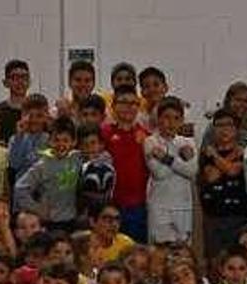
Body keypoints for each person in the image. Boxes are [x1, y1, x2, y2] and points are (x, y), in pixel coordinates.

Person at [145, 96, 197, 243]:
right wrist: (180, 157)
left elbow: (192, 171)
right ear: (158, 119)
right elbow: (160, 173)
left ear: (181, 121)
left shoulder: (188, 142)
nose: (171, 123)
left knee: (183, 254)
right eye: (166, 117)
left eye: (176, 118)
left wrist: (165, 157)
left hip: (183, 208)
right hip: (159, 208)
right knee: (159, 256)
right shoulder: (150, 141)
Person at [15, 116, 80, 231]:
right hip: (50, 222)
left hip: (72, 220)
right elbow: (20, 188)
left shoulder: (77, 159)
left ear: (73, 142)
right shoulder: (42, 165)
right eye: (56, 140)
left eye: (65, 140)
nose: (61, 145)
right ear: (49, 141)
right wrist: (37, 209)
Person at [102, 85, 149, 243]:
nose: (129, 107)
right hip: (110, 203)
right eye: (123, 102)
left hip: (137, 205)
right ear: (113, 106)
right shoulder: (104, 133)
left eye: (134, 103)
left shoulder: (147, 136)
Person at [199, 108, 247, 255]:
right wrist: (222, 155)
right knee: (214, 260)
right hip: (213, 216)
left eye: (228, 125)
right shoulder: (208, 153)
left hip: (238, 215)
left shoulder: (245, 152)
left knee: (236, 257)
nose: (224, 129)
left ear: (236, 129)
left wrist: (220, 159)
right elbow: (212, 176)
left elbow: (234, 171)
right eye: (219, 125)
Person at [8, 93, 50, 193]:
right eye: (30, 116)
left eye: (39, 116)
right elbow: (14, 164)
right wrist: (20, 136)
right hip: (22, 191)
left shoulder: (50, 139)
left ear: (45, 117)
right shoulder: (15, 139)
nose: (34, 120)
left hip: (44, 193)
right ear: (22, 115)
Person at [77, 124, 116, 217]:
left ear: (101, 144)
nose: (90, 148)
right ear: (79, 147)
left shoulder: (107, 161)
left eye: (93, 143)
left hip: (103, 209)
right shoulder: (76, 162)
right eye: (85, 145)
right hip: (82, 210)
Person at [0, 59, 30, 143]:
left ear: (29, 82)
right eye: (15, 78)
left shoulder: (37, 112)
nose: (20, 82)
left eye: (24, 77)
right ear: (5, 82)